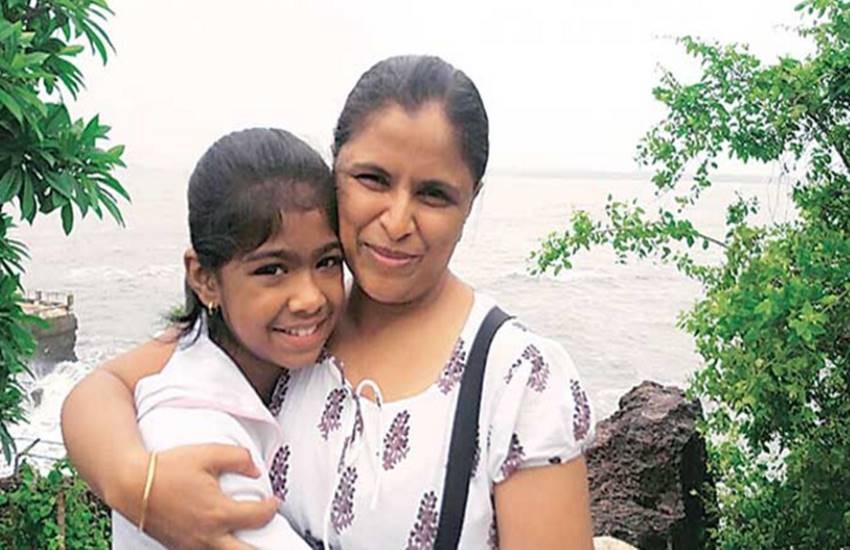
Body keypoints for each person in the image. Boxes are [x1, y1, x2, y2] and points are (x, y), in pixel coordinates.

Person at [62, 55, 596, 550]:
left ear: (471, 200)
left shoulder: (517, 380)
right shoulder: (295, 331)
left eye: (434, 194)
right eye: (373, 179)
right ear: (334, 173)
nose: (397, 221)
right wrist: (137, 486)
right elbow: (103, 389)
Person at [110, 128, 344, 549]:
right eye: (272, 270)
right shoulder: (192, 436)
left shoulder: (275, 368)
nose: (310, 298)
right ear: (204, 279)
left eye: (327, 261)